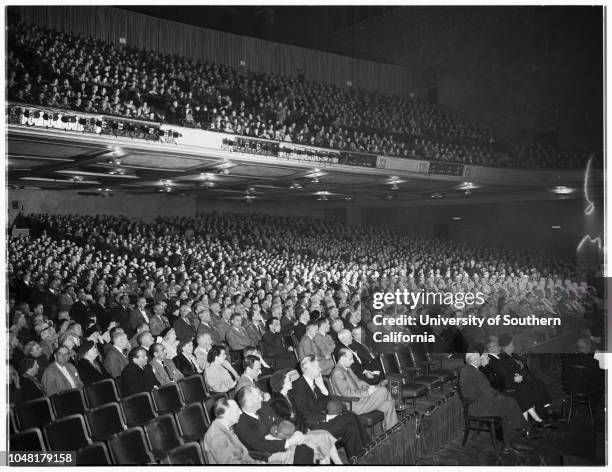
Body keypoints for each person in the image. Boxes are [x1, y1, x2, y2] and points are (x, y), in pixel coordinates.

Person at [291, 355, 369, 459]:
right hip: (313, 427)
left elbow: (327, 404)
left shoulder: (315, 382)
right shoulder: (298, 387)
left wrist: (323, 388)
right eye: (317, 367)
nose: (320, 369)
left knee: (351, 427)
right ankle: (369, 448)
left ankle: (359, 459)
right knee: (350, 416)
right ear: (308, 370)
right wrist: (327, 418)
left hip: (322, 419)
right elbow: (304, 415)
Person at [459, 353, 533, 454]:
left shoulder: (466, 369)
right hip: (477, 407)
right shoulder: (475, 373)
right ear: (475, 361)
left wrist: (499, 396)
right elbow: (489, 393)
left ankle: (514, 437)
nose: (481, 359)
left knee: (509, 403)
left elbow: (481, 391)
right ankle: (518, 435)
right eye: (479, 358)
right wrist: (500, 395)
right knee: (510, 403)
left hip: (476, 403)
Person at [269, 368, 343, 464]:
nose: (291, 381)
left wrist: (306, 428)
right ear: (282, 385)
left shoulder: (289, 396)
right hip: (293, 435)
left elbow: (299, 415)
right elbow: (287, 424)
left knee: (325, 435)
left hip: (301, 430)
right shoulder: (277, 402)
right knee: (323, 445)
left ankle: (339, 464)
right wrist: (303, 430)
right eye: (288, 380)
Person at [233, 385, 315, 464]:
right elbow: (261, 446)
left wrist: (296, 432)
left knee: (316, 441)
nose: (261, 398)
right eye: (258, 397)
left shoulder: (263, 406)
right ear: (250, 403)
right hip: (270, 453)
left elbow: (281, 422)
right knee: (307, 450)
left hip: (286, 440)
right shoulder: (240, 424)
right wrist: (289, 442)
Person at [331, 347, 398, 430]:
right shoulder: (337, 372)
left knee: (388, 403)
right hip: (353, 404)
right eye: (351, 358)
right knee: (383, 391)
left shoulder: (347, 368)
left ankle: (391, 430)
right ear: (342, 358)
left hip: (360, 398)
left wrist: (369, 387)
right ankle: (397, 403)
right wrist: (367, 392)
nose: (353, 361)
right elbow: (346, 393)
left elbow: (358, 382)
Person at [496, 333, 554, 419]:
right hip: (517, 383)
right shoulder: (502, 359)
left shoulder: (513, 355)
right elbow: (510, 374)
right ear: (507, 345)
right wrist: (521, 367)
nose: (514, 346)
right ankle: (542, 414)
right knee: (534, 386)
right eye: (512, 344)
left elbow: (524, 366)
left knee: (538, 383)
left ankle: (547, 408)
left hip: (526, 378)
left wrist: (522, 361)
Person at [203, 397, 263, 464]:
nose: (240, 412)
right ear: (227, 414)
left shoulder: (226, 427)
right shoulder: (216, 437)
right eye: (237, 410)